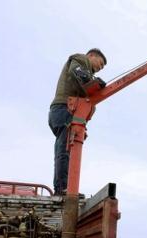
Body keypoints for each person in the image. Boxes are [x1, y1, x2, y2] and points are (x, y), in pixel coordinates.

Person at [49, 48, 107, 195]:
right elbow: (77, 71)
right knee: (64, 150)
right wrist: (93, 82)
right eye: (99, 64)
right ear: (91, 56)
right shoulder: (81, 59)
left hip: (61, 110)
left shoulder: (86, 69)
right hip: (64, 109)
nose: (98, 69)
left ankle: (63, 187)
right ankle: (63, 189)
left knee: (64, 149)